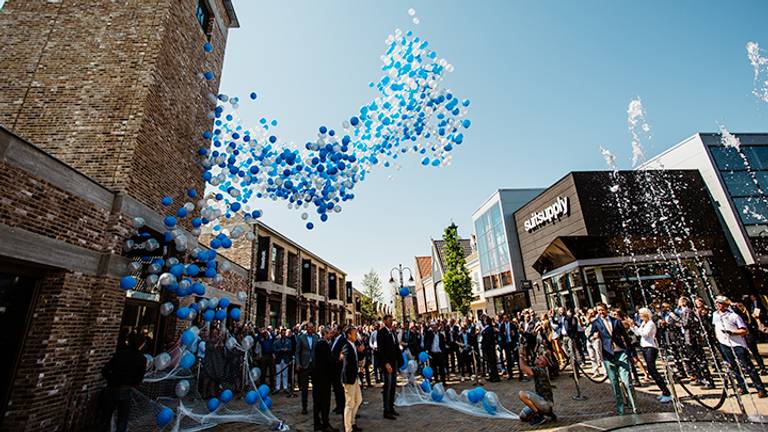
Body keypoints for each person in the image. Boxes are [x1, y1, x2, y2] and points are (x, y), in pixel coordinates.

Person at [712, 296, 767, 398]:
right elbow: (716, 327)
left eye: (720, 303)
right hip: (724, 344)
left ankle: (760, 388)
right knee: (733, 367)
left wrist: (732, 333)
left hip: (738, 344)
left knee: (748, 367)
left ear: (725, 304)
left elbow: (744, 330)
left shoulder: (734, 316)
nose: (718, 305)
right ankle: (742, 387)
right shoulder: (715, 315)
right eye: (717, 303)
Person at [590, 303, 636, 415]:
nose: (601, 312)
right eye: (598, 311)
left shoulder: (616, 321)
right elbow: (590, 336)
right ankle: (620, 408)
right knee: (614, 382)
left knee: (627, 381)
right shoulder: (596, 323)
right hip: (608, 355)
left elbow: (625, 336)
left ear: (606, 310)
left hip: (621, 352)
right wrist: (593, 337)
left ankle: (633, 405)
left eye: (602, 310)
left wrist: (631, 352)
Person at [100, 333, 147, 432]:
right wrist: (130, 383)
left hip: (111, 388)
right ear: (141, 344)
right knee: (122, 420)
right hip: (126, 391)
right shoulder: (142, 359)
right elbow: (139, 379)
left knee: (105, 418)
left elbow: (105, 370)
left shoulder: (120, 353)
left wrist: (112, 379)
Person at [631, 308, 672, 403]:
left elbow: (645, 334)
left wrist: (636, 328)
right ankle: (664, 391)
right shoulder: (643, 323)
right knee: (651, 370)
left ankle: (666, 392)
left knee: (652, 369)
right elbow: (638, 333)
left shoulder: (650, 323)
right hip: (644, 347)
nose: (640, 315)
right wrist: (632, 327)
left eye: (641, 314)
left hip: (651, 347)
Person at [517, 343, 557, 426]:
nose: (536, 358)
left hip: (545, 404)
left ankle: (539, 416)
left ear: (541, 363)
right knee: (522, 416)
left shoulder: (539, 370)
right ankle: (549, 413)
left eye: (538, 358)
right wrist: (524, 356)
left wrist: (521, 355)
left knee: (522, 394)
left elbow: (523, 368)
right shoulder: (541, 370)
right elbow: (526, 368)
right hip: (544, 403)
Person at [377, 315, 402, 420]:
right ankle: (386, 410)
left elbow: (395, 346)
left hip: (394, 362)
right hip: (387, 364)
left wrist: (399, 360)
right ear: (384, 321)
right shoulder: (381, 332)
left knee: (392, 387)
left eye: (392, 320)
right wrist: (386, 363)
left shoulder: (392, 332)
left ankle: (391, 407)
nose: (391, 321)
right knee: (387, 387)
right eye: (389, 320)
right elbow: (381, 350)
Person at [312, 329, 338, 432]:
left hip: (319, 377)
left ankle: (318, 423)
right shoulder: (323, 345)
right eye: (329, 333)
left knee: (317, 402)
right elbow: (328, 360)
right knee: (324, 402)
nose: (331, 335)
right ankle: (324, 424)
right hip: (323, 378)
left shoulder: (320, 344)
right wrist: (337, 358)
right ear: (324, 334)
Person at [341, 326, 363, 432]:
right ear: (349, 335)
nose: (356, 336)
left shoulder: (354, 345)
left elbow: (357, 357)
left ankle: (352, 422)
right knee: (349, 404)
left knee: (358, 400)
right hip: (349, 378)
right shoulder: (346, 346)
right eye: (354, 334)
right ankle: (348, 428)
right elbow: (347, 363)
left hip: (355, 377)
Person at [296, 322, 320, 415]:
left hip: (314, 365)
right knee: (305, 388)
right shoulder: (301, 338)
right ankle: (304, 407)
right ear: (306, 328)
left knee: (316, 387)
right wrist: (298, 363)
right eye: (309, 328)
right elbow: (297, 351)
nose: (310, 329)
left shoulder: (316, 337)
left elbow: (318, 351)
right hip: (304, 365)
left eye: (312, 328)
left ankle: (316, 406)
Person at [330, 325, 347, 414]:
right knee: (336, 388)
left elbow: (343, 352)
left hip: (339, 367)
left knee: (340, 388)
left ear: (339, 331)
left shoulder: (343, 340)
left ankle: (342, 406)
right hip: (333, 367)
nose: (333, 330)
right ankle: (338, 405)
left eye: (335, 329)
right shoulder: (333, 339)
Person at [481, 316, 500, 382]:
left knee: (492, 363)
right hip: (488, 348)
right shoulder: (487, 328)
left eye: (485, 320)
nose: (484, 321)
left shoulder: (489, 329)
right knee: (490, 363)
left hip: (490, 348)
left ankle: (495, 377)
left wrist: (485, 346)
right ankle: (492, 376)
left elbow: (488, 339)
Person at [273, 328, 293, 393]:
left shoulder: (288, 341)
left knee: (285, 374)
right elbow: (274, 349)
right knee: (278, 374)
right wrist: (280, 350)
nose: (283, 334)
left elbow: (290, 349)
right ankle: (277, 387)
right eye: (282, 333)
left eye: (284, 333)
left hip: (285, 359)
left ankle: (285, 387)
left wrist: (286, 350)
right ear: (280, 334)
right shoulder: (276, 341)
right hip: (278, 359)